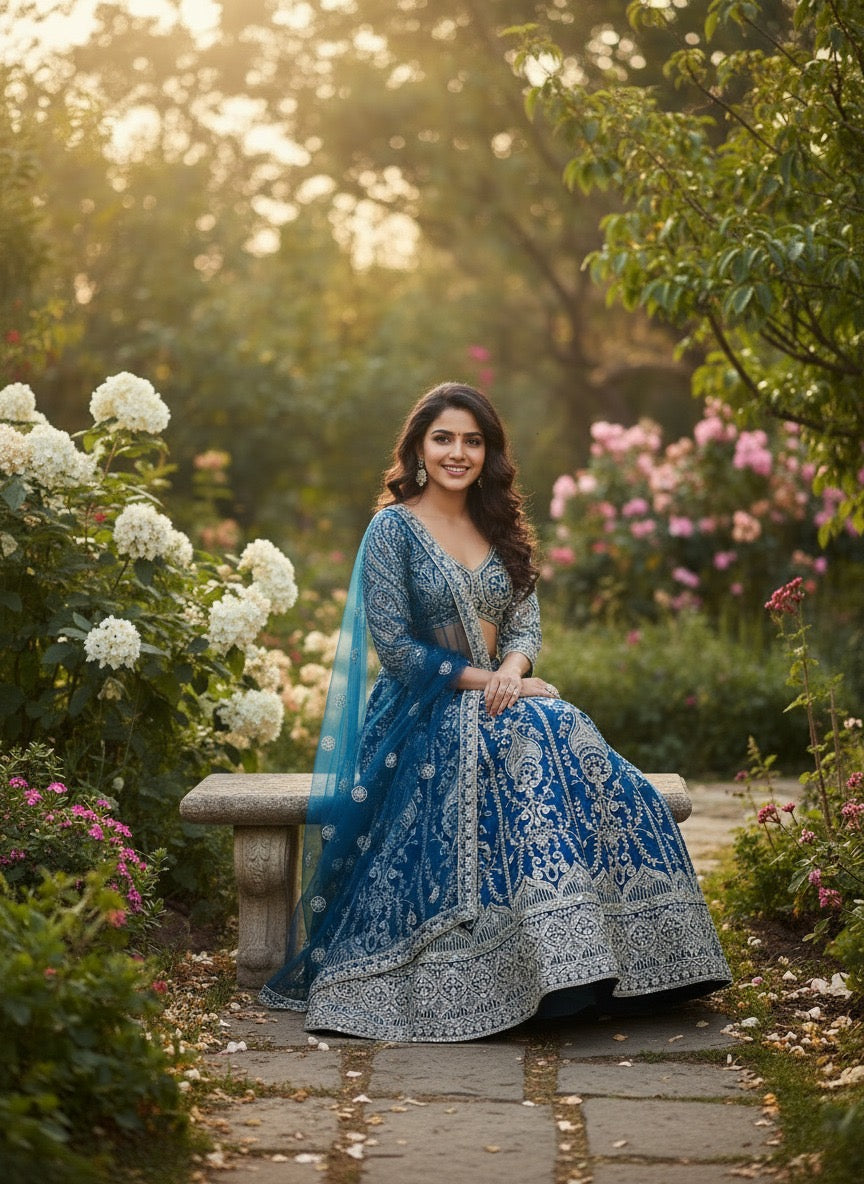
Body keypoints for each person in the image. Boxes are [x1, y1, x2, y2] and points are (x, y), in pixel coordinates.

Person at [259, 382, 731, 1041]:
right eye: (444, 438)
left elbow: (524, 625)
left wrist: (514, 670)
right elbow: (396, 649)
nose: (458, 452)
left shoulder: (497, 523)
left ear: (489, 452)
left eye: (472, 440)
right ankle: (549, 982)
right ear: (419, 447)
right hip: (419, 712)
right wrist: (486, 682)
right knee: (530, 736)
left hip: (500, 695)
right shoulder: (392, 528)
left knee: (567, 731)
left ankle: (614, 963)